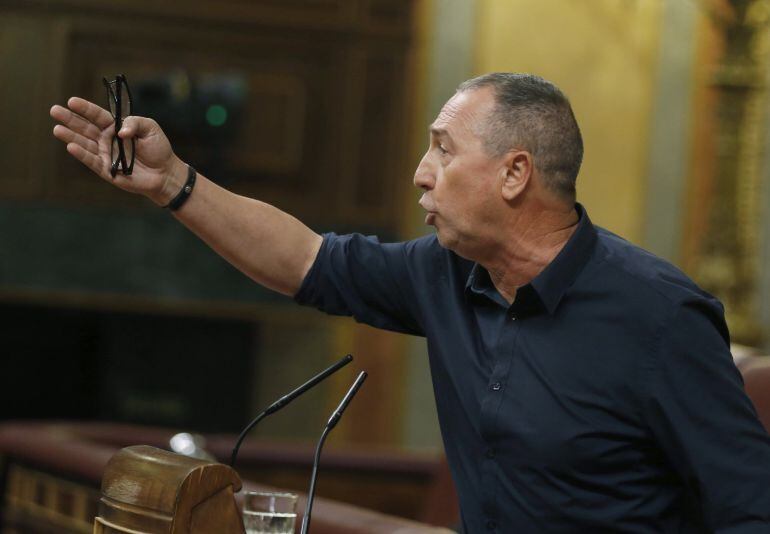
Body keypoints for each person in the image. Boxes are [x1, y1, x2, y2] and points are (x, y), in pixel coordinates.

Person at [51, 73, 770, 532]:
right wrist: (175, 182)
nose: (421, 175)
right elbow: (303, 259)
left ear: (514, 174)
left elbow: (749, 509)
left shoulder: (659, 316)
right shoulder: (444, 271)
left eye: (443, 150)